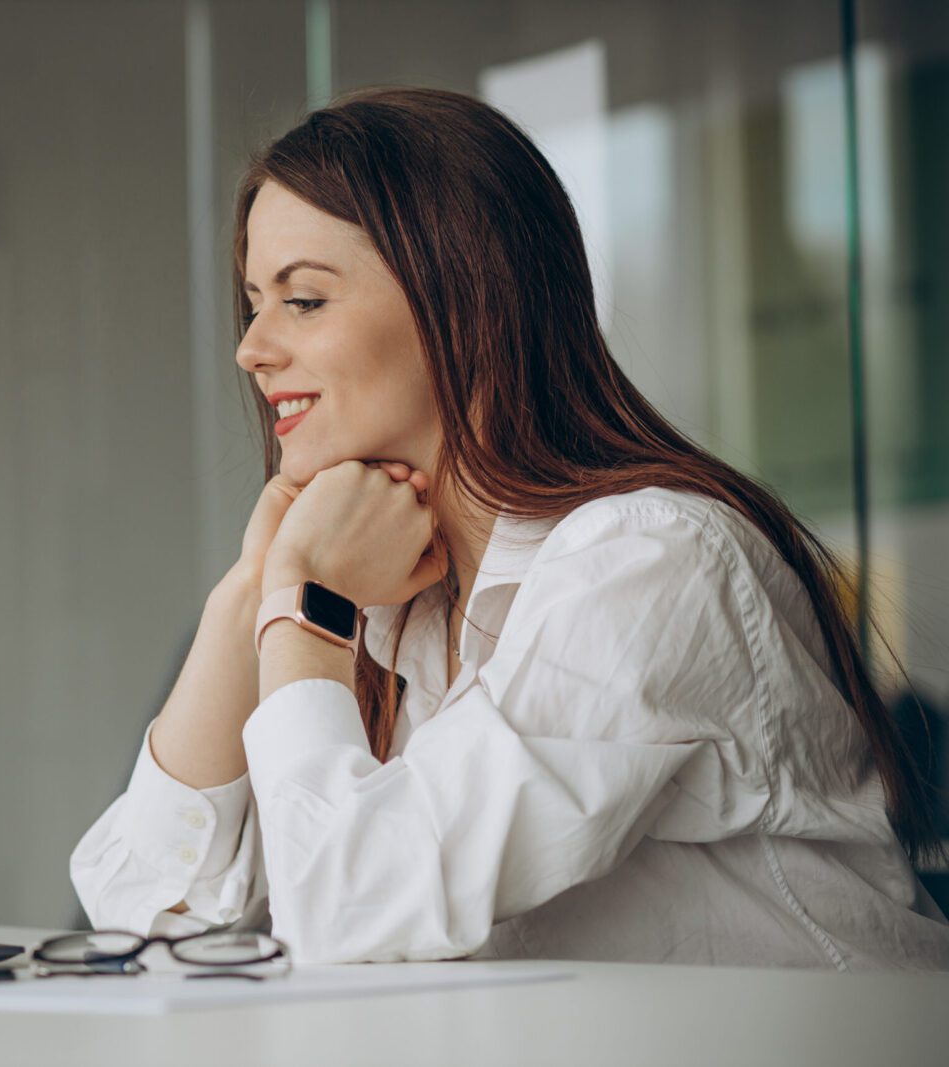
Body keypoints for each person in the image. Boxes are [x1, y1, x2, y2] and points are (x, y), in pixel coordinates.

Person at [70, 86, 949, 970]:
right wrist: (253, 583)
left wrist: (304, 603)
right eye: (254, 300)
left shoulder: (651, 564)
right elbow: (139, 917)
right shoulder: (403, 602)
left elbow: (350, 912)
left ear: (464, 302)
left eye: (302, 301)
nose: (251, 347)